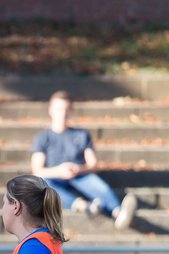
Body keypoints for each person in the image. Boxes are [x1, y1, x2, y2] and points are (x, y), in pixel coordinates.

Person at [31, 91, 136, 229]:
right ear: (50, 110)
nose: (62, 113)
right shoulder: (42, 138)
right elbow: (37, 170)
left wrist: (78, 169)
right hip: (54, 178)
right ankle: (85, 207)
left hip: (79, 175)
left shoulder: (81, 134)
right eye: (58, 109)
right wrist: (59, 171)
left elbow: (93, 164)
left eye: (66, 109)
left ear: (71, 111)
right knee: (45, 187)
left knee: (100, 187)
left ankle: (118, 213)